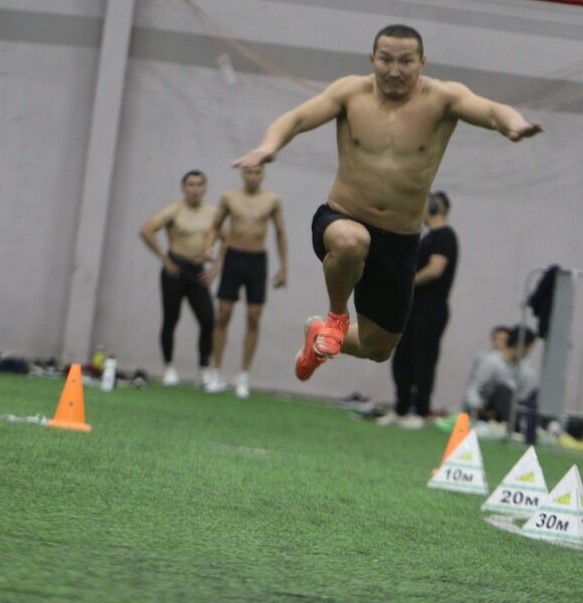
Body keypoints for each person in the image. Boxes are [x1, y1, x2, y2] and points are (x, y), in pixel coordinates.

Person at [232, 24, 542, 382]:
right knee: (351, 241)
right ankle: (335, 319)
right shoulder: (351, 92)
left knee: (377, 348)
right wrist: (268, 146)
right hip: (341, 218)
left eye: (406, 61)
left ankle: (318, 337)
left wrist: (513, 125)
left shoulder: (443, 98)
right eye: (386, 60)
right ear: (372, 59)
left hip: (399, 239)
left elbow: (491, 110)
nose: (395, 70)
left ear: (422, 62)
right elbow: (297, 118)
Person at [204, 165, 288, 399]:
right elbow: (215, 226)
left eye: (257, 172)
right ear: (243, 174)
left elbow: (280, 233)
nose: (253, 176)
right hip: (233, 257)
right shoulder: (230, 197)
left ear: (263, 174)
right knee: (223, 313)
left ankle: (243, 375)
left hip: (257, 260)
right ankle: (216, 371)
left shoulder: (272, 200)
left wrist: (284, 267)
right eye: (249, 172)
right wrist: (209, 246)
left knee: (254, 316)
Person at [139, 170, 221, 388]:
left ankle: (203, 370)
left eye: (199, 185)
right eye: (190, 185)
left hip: (198, 271)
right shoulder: (174, 210)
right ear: (183, 188)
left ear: (205, 189)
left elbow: (229, 240)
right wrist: (164, 259)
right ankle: (168, 367)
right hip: (175, 269)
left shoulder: (213, 213)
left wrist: (215, 269)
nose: (195, 189)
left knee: (208, 320)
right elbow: (147, 230)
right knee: (171, 318)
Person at [388, 190, 458, 426]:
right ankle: (401, 408)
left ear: (435, 207)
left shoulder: (445, 236)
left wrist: (407, 282)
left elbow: (435, 269)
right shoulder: (427, 237)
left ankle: (419, 412)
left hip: (431, 307)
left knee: (423, 359)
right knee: (402, 357)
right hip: (413, 306)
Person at [461, 325, 539, 439]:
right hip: (489, 411)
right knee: (503, 390)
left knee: (535, 395)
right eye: (528, 349)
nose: (528, 353)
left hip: (511, 407)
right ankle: (520, 427)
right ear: (520, 345)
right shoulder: (492, 362)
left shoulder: (523, 367)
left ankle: (533, 426)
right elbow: (473, 389)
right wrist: (479, 407)